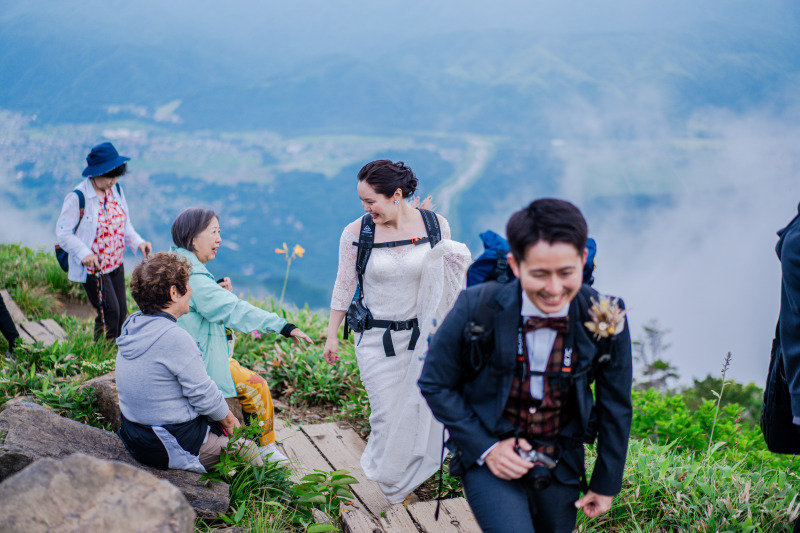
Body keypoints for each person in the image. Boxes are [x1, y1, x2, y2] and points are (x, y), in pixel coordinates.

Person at [418, 199, 633, 533]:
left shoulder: (603, 314)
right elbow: (435, 382)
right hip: (489, 454)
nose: (553, 288)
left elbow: (615, 405)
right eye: (539, 274)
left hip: (561, 461)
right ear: (515, 265)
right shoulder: (479, 305)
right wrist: (486, 448)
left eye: (566, 273)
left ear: (583, 260)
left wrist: (606, 482)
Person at [324, 160, 471, 504]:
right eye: (362, 201)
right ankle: (394, 488)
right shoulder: (356, 233)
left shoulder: (437, 226)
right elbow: (344, 284)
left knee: (420, 412)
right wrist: (332, 334)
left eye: (371, 201)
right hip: (375, 340)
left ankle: (402, 484)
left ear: (397, 195)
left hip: (423, 341)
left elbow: (449, 280)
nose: (365, 209)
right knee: (386, 416)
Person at [171, 207, 313, 462]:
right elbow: (235, 310)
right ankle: (265, 448)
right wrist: (283, 326)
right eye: (214, 232)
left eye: (219, 232)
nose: (219, 239)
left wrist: (215, 291)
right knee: (255, 384)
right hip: (199, 361)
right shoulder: (195, 277)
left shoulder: (180, 265)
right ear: (193, 239)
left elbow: (198, 307)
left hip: (190, 354)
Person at [116, 252, 260, 473]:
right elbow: (203, 393)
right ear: (174, 292)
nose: (191, 290)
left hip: (135, 433)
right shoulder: (174, 337)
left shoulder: (133, 324)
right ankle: (260, 497)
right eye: (187, 284)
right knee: (248, 451)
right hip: (166, 443)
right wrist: (230, 421)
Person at [55, 142, 152, 341]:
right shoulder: (78, 197)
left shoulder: (116, 191)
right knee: (110, 312)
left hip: (116, 263)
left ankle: (111, 351)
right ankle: (104, 355)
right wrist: (85, 254)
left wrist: (139, 242)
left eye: (116, 175)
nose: (113, 180)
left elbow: (125, 225)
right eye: (109, 175)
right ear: (95, 173)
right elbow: (63, 233)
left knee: (121, 311)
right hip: (95, 268)